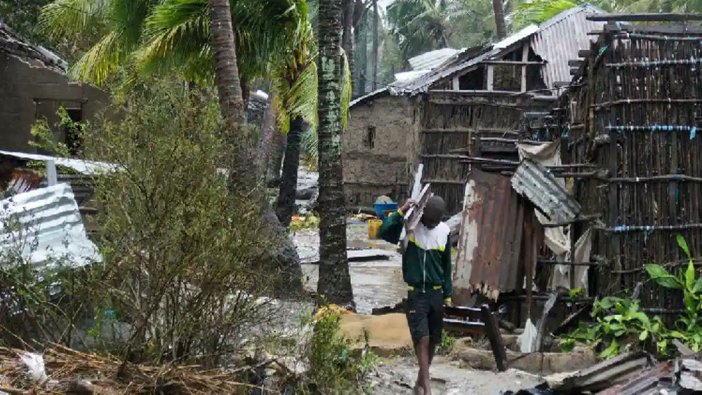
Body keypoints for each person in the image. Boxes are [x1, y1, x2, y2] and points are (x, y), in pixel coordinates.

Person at [379, 195, 451, 395]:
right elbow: (383, 232)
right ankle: (427, 387)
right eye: (428, 221)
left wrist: (448, 295)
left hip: (436, 294)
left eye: (435, 222)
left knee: (435, 338)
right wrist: (401, 211)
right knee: (422, 338)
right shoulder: (409, 228)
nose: (431, 225)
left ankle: (420, 382)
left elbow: (447, 265)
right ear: (423, 216)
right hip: (417, 293)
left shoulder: (444, 232)